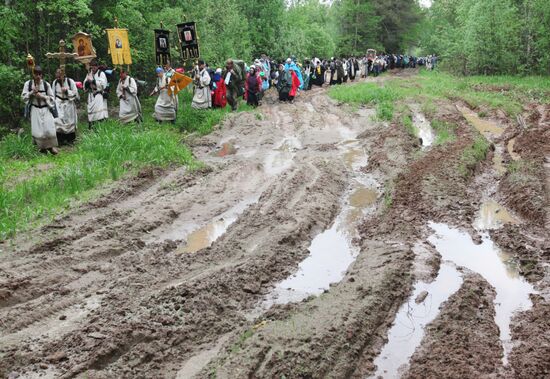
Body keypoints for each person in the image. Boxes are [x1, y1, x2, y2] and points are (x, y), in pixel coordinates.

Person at [21, 66, 58, 154]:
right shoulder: (28, 84)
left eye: (40, 74)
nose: (38, 76)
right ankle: (42, 148)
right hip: (35, 109)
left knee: (49, 130)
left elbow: (52, 99)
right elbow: (23, 97)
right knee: (38, 132)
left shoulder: (46, 84)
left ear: (42, 75)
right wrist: (31, 93)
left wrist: (42, 96)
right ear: (33, 74)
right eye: (36, 74)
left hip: (46, 109)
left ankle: (51, 147)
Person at [52, 68, 79, 144]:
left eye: (59, 73)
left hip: (68, 103)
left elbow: (75, 93)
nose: (57, 75)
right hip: (58, 104)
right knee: (59, 121)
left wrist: (67, 91)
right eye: (57, 73)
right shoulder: (55, 82)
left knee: (69, 121)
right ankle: (60, 140)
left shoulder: (70, 81)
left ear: (63, 74)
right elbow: (53, 94)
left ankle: (70, 139)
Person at [84, 60, 108, 129]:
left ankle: (100, 127)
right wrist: (87, 83)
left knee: (99, 113)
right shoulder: (89, 74)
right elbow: (84, 85)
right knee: (91, 114)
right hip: (91, 96)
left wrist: (93, 81)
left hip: (98, 95)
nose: (93, 69)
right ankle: (91, 127)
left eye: (94, 67)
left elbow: (103, 84)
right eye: (92, 67)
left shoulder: (101, 73)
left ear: (97, 67)